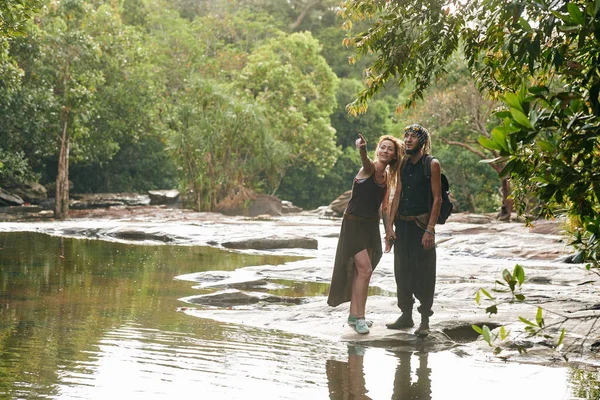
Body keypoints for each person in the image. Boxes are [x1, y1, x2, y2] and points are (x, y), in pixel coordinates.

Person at [327, 133, 403, 334]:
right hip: (353, 224)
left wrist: (388, 230)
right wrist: (362, 149)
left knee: (364, 273)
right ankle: (359, 318)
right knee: (365, 269)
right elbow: (365, 159)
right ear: (377, 150)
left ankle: (355, 316)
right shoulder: (368, 168)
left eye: (390, 149)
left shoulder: (386, 177)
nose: (386, 151)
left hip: (370, 226)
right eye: (383, 147)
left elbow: (384, 207)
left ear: (395, 156)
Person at [384, 124, 441, 336]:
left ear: (422, 142)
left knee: (424, 273)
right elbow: (397, 194)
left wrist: (430, 230)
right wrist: (389, 226)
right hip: (403, 226)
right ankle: (406, 315)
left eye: (413, 137)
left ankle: (425, 320)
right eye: (406, 136)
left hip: (421, 227)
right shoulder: (403, 164)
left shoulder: (431, 164)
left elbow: (437, 199)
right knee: (402, 271)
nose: (407, 140)